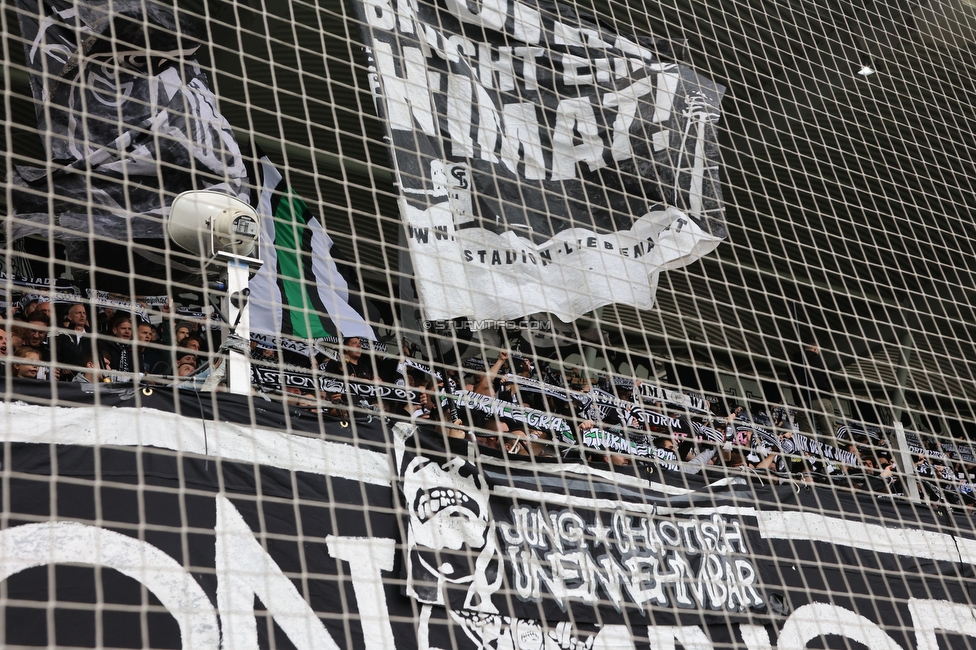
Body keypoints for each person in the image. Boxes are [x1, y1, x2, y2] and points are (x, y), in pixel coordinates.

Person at [790, 341, 838, 446]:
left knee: (807, 438)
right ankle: (833, 460)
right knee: (829, 434)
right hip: (822, 400)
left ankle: (809, 460)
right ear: (815, 349)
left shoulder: (793, 363)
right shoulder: (822, 361)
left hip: (804, 403)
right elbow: (829, 379)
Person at [55, 302, 92, 378]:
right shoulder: (63, 335)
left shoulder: (92, 337)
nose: (82, 315)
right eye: (78, 313)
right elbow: (57, 354)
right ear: (70, 316)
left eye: (84, 313)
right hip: (66, 377)